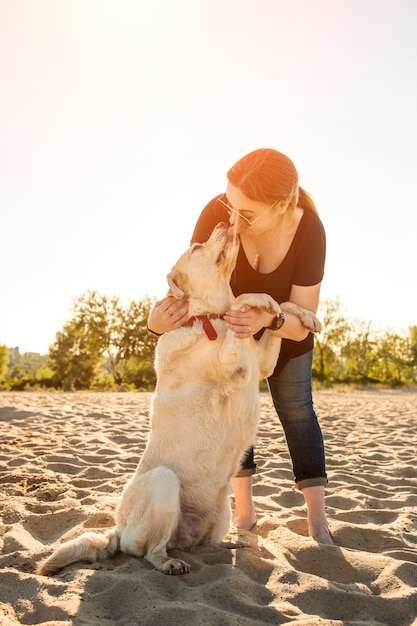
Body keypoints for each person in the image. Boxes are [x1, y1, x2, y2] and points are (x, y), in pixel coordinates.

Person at [147, 148, 334, 545]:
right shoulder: (217, 215)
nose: (231, 220)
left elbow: (303, 322)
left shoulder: (309, 232)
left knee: (298, 412)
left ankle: (318, 522)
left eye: (245, 214)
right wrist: (155, 323)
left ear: (282, 204)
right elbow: (190, 285)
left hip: (284, 331)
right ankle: (245, 514)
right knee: (229, 414)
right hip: (224, 342)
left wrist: (270, 320)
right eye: (228, 204)